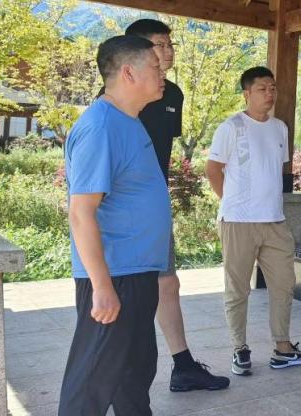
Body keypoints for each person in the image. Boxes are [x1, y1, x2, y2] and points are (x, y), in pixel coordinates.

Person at [58, 35, 171, 415]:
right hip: (114, 274)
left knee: (133, 376)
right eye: (154, 66)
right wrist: (102, 286)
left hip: (136, 271)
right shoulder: (101, 126)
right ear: (128, 72)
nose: (163, 73)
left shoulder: (129, 121)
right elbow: (81, 212)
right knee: (92, 383)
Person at [121, 19, 229, 392]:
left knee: (167, 283)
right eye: (160, 45)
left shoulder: (174, 95)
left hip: (154, 203)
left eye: (171, 44)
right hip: (121, 206)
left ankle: (183, 367)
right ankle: (116, 370)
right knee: (126, 288)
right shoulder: (119, 97)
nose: (168, 52)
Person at [206, 66, 301, 378]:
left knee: (284, 285)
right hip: (238, 223)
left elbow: (273, 170)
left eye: (273, 88)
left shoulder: (280, 128)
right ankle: (239, 348)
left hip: (275, 221)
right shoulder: (231, 127)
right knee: (237, 289)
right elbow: (213, 170)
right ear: (246, 94)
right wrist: (233, 203)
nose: (270, 93)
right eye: (262, 88)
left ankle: (282, 348)